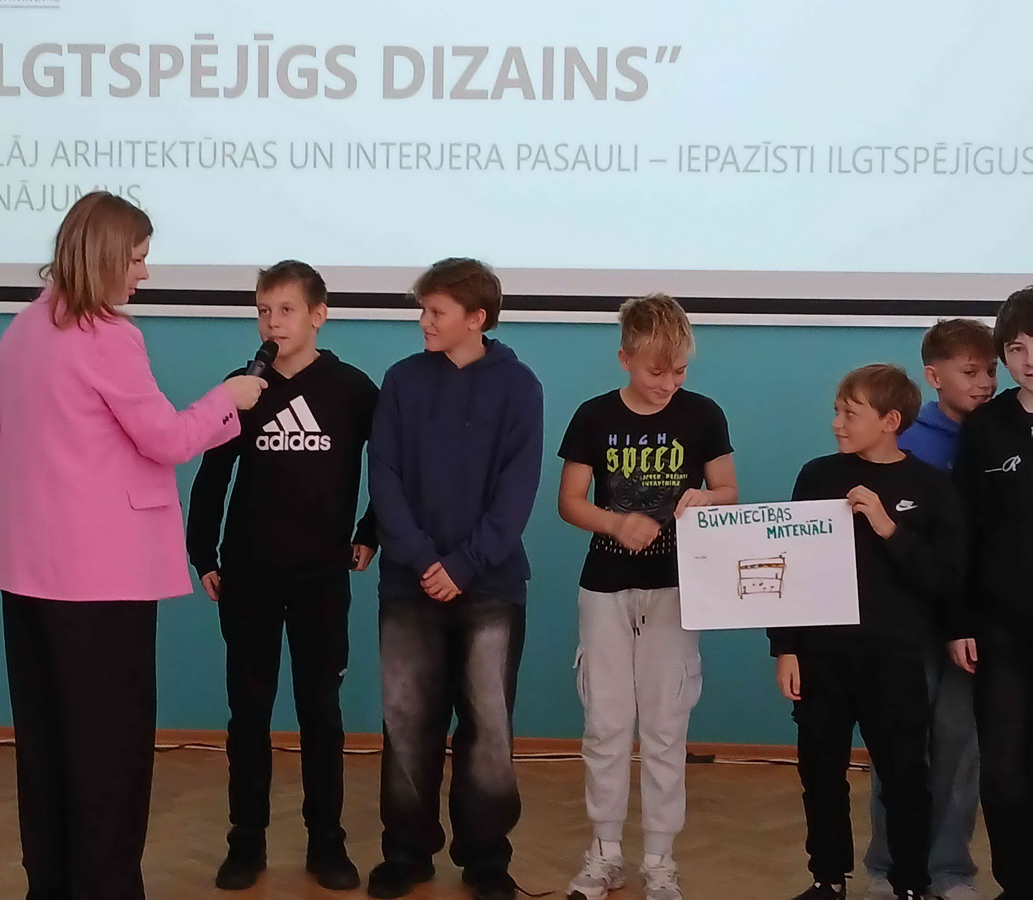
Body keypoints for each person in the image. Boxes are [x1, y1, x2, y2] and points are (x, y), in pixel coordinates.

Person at [0, 191, 265, 900]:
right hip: (101, 581)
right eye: (138, 258)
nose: (144, 272)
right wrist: (228, 400)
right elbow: (166, 439)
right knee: (109, 754)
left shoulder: (20, 330)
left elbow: (3, 448)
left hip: (27, 571)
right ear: (107, 256)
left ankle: (51, 886)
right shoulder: (107, 336)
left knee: (47, 746)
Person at [186, 260, 378, 892]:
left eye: (286, 310)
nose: (273, 322)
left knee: (320, 708)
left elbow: (392, 468)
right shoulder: (243, 387)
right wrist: (203, 552)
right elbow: (213, 475)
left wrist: (371, 529)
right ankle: (246, 842)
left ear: (319, 315)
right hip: (250, 573)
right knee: (249, 710)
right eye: (264, 311)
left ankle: (327, 843)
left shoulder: (352, 389)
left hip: (321, 575)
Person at [365, 258, 543, 900]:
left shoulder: (519, 387)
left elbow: (517, 491)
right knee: (407, 725)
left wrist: (464, 565)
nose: (424, 321)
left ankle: (486, 860)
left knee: (488, 729)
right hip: (408, 585)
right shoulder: (402, 380)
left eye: (435, 311)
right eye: (423, 309)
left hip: (490, 588)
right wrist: (421, 560)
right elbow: (383, 474)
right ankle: (406, 854)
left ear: (477, 318)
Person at [557, 294, 737, 900]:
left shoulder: (703, 414)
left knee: (665, 726)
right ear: (625, 359)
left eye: (679, 371)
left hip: (678, 588)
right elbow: (570, 502)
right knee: (606, 724)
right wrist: (615, 523)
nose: (668, 383)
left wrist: (706, 498)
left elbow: (728, 490)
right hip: (605, 587)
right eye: (656, 371)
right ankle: (604, 852)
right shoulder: (593, 416)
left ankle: (659, 857)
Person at [771, 364, 966, 900]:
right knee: (820, 773)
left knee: (904, 777)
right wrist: (785, 647)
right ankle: (827, 878)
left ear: (890, 420)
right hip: (822, 655)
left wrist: (887, 526)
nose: (837, 422)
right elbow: (790, 563)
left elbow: (944, 576)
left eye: (850, 413)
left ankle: (910, 883)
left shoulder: (929, 486)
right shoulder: (816, 475)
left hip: (894, 656)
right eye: (837, 410)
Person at [862, 320, 996, 900]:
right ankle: (886, 867)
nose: (984, 382)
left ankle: (950, 870)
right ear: (933, 376)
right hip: (908, 623)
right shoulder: (905, 442)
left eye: (990, 370)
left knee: (960, 751)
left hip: (974, 624)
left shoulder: (999, 435)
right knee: (898, 749)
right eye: (970, 372)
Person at [953, 287, 1033, 900]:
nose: (1030, 361)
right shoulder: (985, 428)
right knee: (1004, 768)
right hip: (1003, 626)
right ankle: (1018, 882)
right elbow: (965, 531)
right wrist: (959, 620)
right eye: (1018, 349)